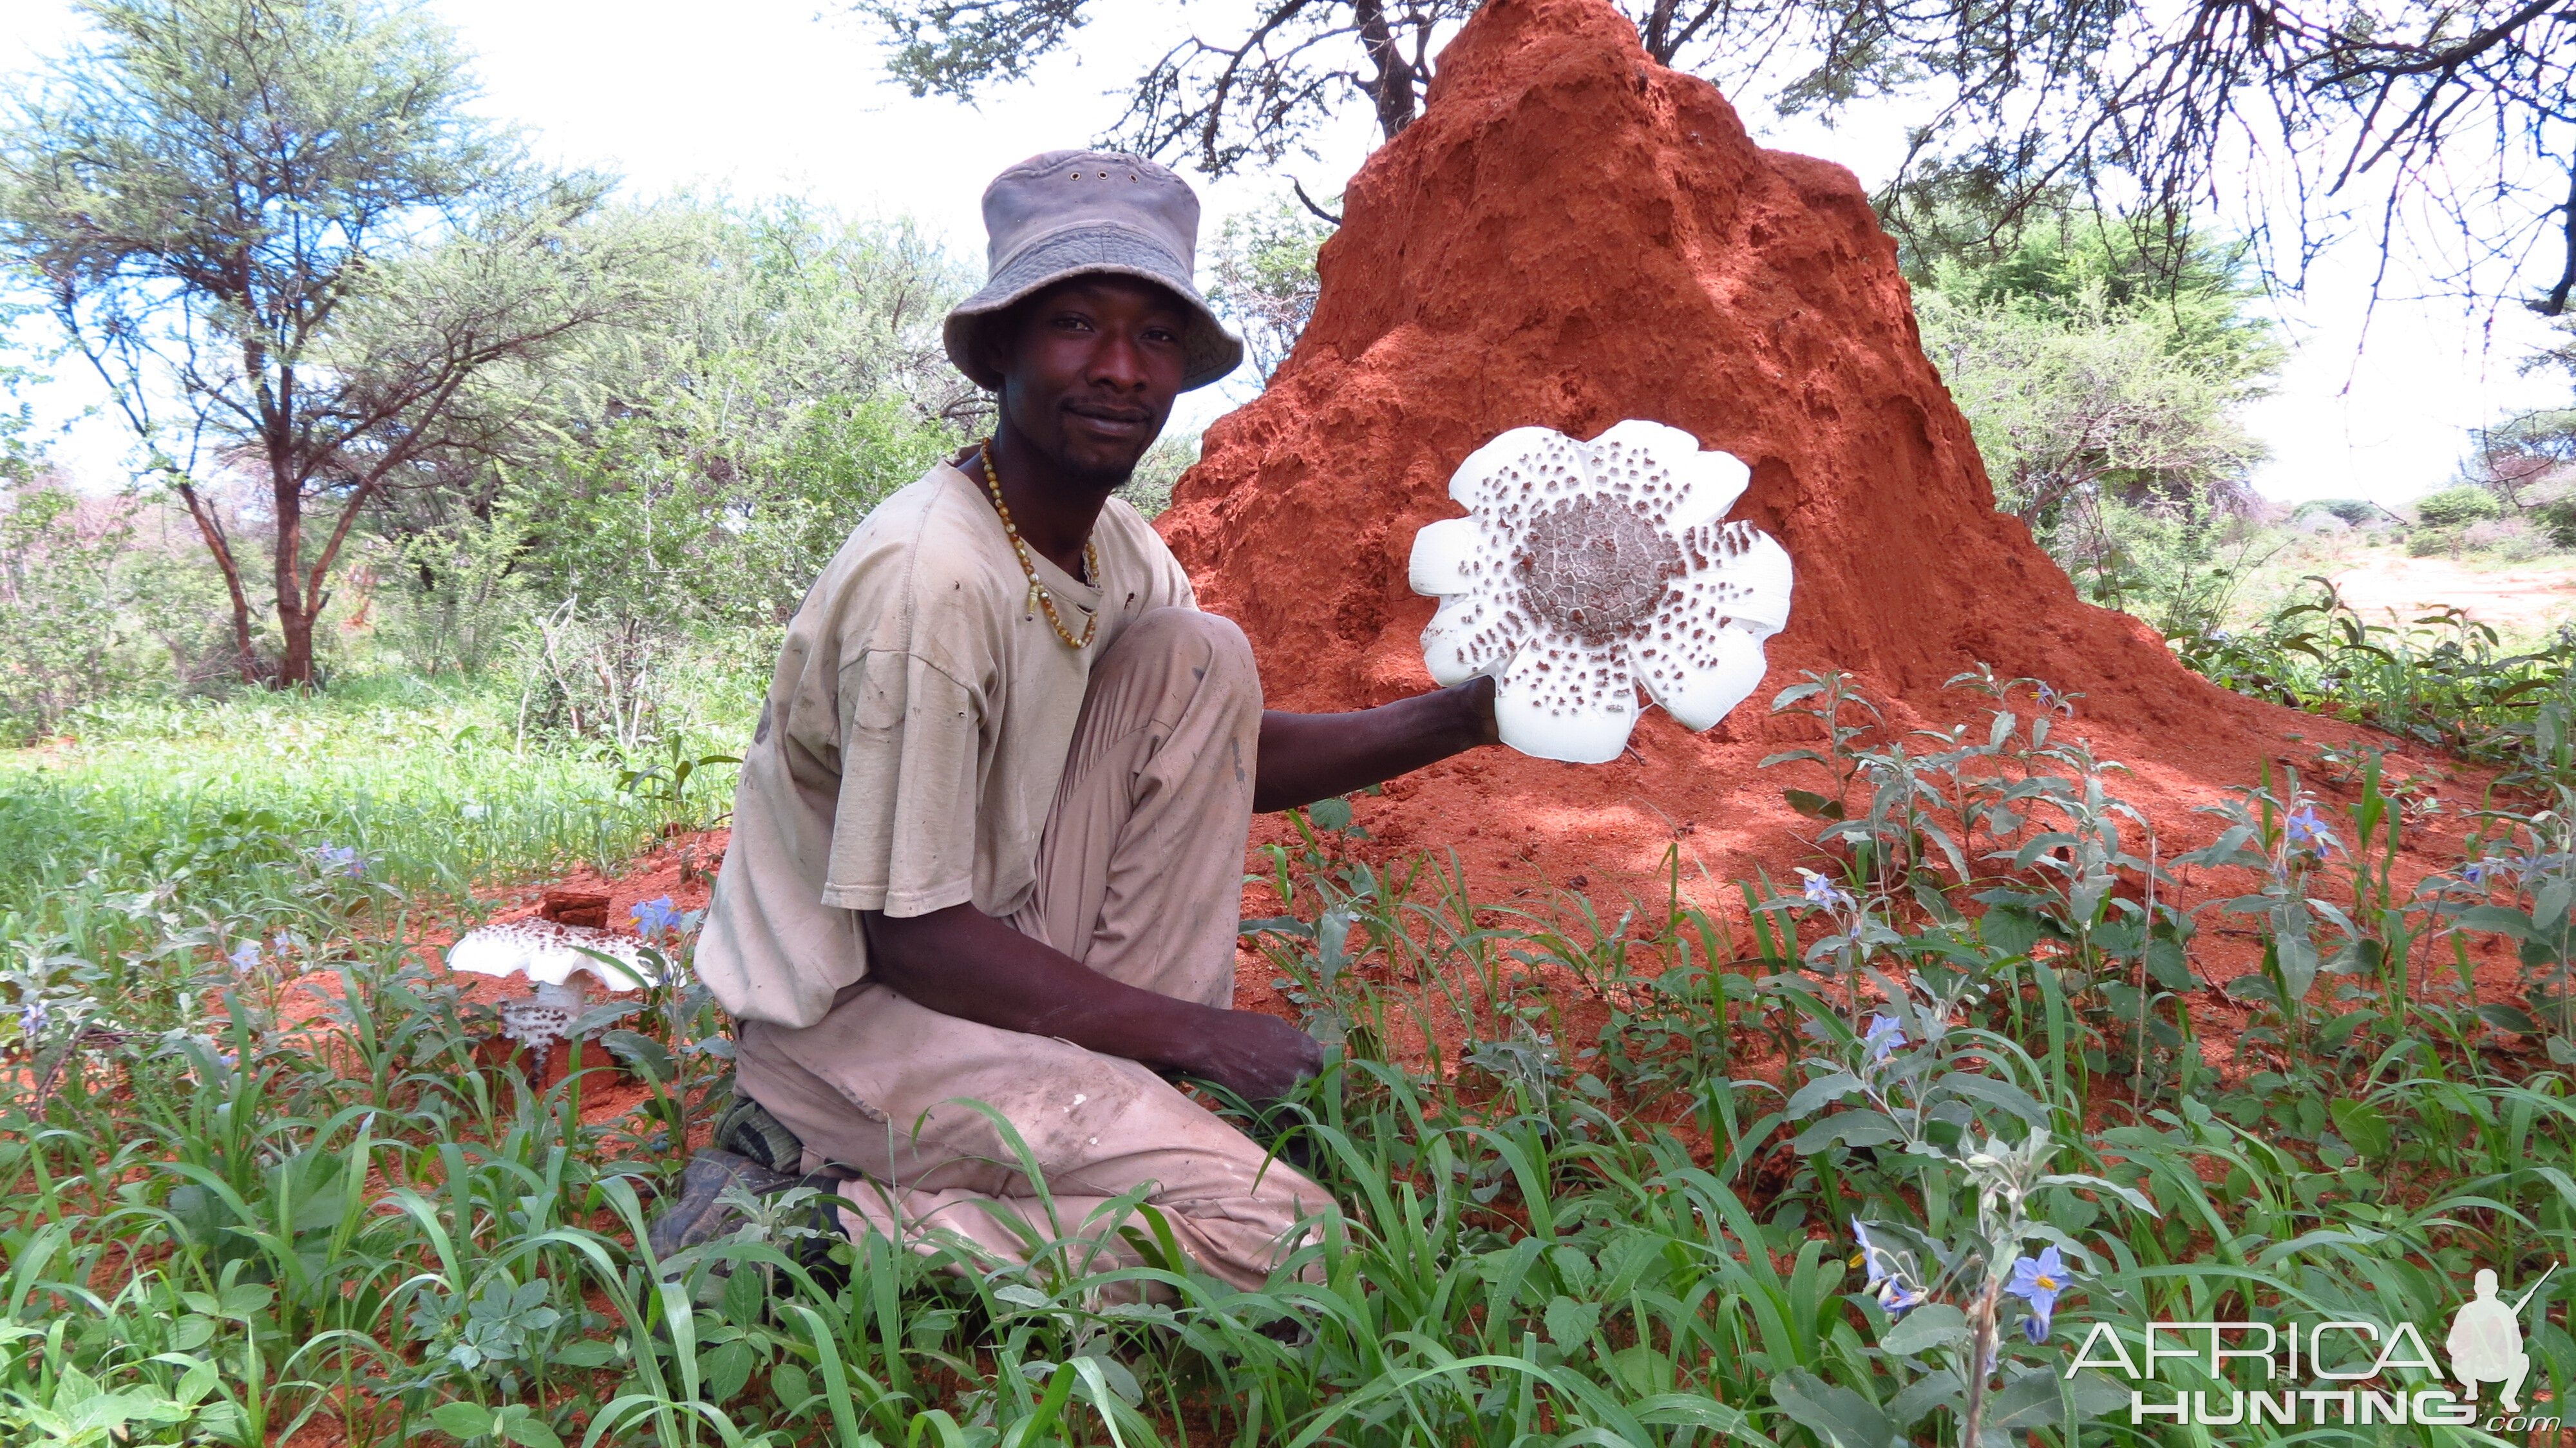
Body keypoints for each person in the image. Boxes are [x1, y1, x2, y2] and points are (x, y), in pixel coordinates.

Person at [647, 149, 1499, 1293]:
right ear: (1002, 346)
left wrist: (1467, 715)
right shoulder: (930, 585)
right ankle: (816, 1229)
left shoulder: (1114, 545)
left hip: (993, 959)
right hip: (861, 1017)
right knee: (1284, 1236)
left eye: (1155, 337)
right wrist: (1194, 1035)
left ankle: (1002, 1141)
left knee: (1203, 660)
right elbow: (917, 937)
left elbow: (1228, 755)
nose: (1119, 369)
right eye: (1077, 325)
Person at [2447, 1268, 2532, 1413]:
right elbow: (2519, 1345)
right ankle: (2508, 1397)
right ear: (2497, 1289)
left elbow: (2451, 1344)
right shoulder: (2503, 1311)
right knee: (2523, 1360)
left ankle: (2474, 1389)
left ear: (2476, 1289)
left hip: (2474, 1369)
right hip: (2491, 1369)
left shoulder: (2469, 1310)